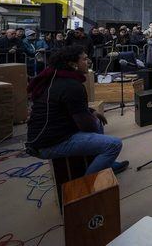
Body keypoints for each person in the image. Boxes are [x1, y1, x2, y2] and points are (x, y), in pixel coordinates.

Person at [25, 45, 128, 175]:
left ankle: (105, 164)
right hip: (50, 144)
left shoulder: (54, 79)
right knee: (114, 144)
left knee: (97, 123)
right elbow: (85, 125)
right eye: (84, 59)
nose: (88, 61)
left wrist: (91, 112)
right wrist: (91, 119)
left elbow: (69, 107)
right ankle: (87, 185)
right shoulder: (72, 86)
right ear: (73, 64)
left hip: (42, 138)